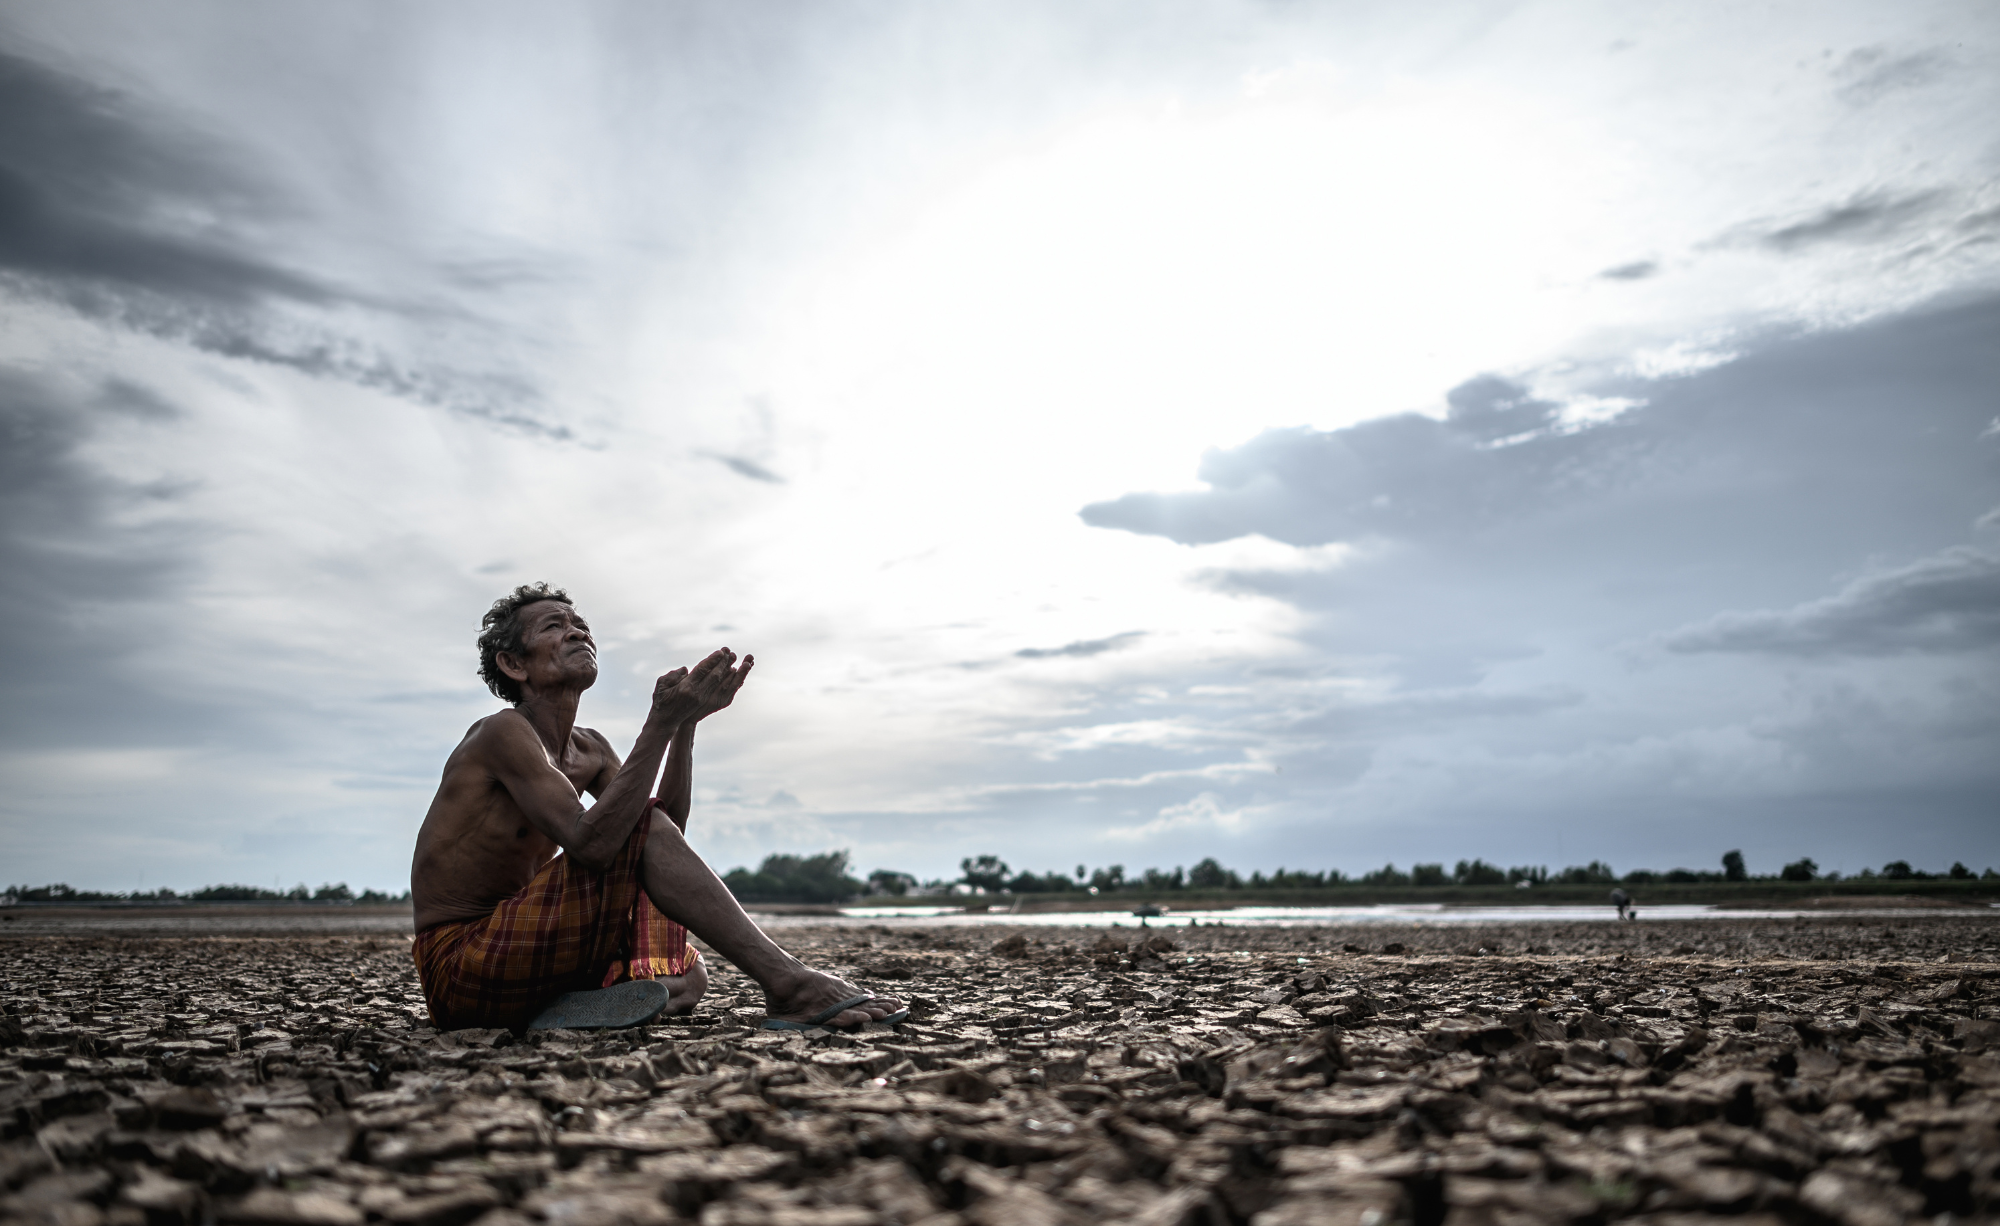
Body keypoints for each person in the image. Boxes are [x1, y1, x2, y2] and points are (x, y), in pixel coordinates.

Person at [410, 583, 904, 1032]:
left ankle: (552, 1009)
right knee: (629, 835)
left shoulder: (591, 748)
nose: (577, 632)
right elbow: (598, 842)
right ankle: (791, 984)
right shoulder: (502, 732)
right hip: (463, 964)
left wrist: (683, 725)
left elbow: (664, 833)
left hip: (530, 947)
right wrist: (659, 724)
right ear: (514, 665)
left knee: (691, 974)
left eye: (580, 625)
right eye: (554, 626)